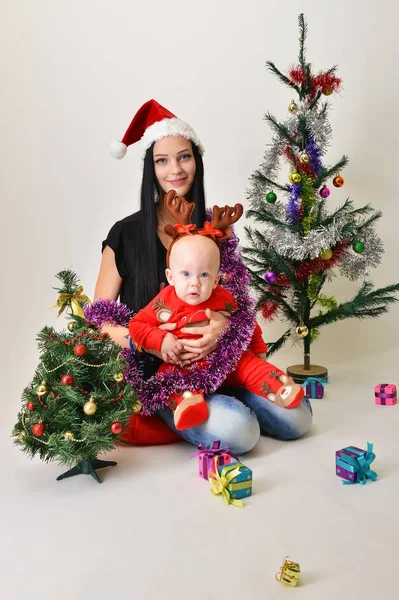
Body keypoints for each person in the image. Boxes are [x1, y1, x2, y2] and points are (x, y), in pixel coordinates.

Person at [90, 99, 313, 455]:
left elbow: (239, 304)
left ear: (197, 161)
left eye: (184, 156)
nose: (174, 169)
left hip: (223, 363)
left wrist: (222, 328)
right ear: (151, 168)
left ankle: (224, 402)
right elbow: (99, 321)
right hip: (161, 378)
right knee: (240, 432)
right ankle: (174, 412)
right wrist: (151, 341)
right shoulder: (125, 234)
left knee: (298, 419)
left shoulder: (215, 231)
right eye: (162, 160)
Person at [128, 191, 305, 431]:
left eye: (204, 275)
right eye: (186, 274)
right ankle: (189, 405)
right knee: (168, 377)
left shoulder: (223, 298)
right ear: (170, 277)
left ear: (216, 280)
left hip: (225, 361)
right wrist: (162, 341)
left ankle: (279, 386)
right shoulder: (163, 302)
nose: (195, 283)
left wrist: (258, 349)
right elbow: (137, 325)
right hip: (183, 363)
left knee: (250, 365)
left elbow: (246, 323)